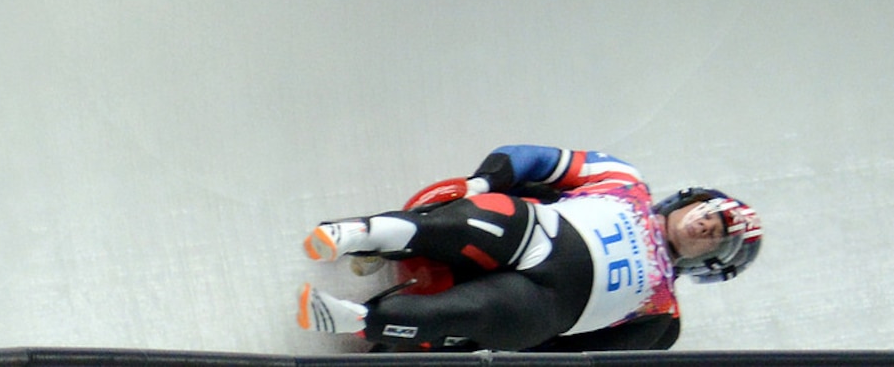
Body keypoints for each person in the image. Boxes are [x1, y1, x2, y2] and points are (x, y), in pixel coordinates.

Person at [296, 144, 762, 352]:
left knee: (482, 313)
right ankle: (356, 234)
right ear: (690, 200)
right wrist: (480, 181)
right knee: (481, 219)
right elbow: (535, 158)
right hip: (542, 230)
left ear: (710, 263)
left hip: (547, 307)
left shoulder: (663, 319)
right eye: (709, 215)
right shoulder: (626, 181)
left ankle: (352, 320)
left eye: (718, 234)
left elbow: (585, 354)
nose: (705, 227)